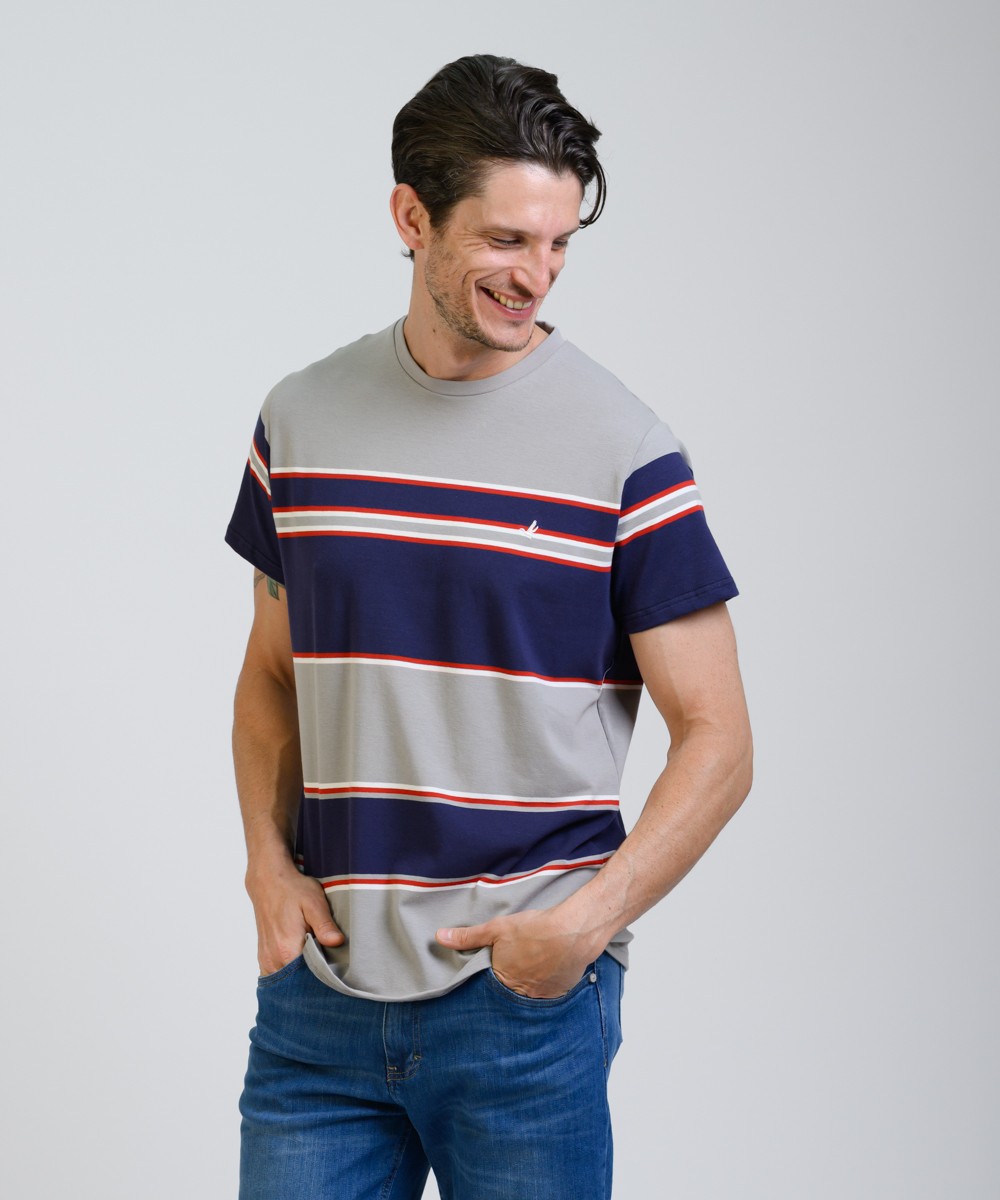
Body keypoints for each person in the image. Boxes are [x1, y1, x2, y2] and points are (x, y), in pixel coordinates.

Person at [226, 53, 752, 1200]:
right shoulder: (299, 421)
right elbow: (271, 676)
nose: (538, 275)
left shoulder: (626, 450)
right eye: (507, 240)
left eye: (558, 243)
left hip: (520, 1012)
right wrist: (266, 865)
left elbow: (718, 738)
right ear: (412, 218)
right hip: (320, 1004)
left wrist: (581, 928)